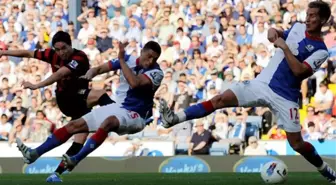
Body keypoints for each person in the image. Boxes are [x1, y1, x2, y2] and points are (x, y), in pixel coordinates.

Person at [159, 1, 336, 182]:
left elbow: (299, 71)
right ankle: (174, 118)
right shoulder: (298, 26)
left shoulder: (321, 51)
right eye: (307, 14)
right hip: (261, 84)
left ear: (323, 19)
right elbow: (277, 34)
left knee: (297, 144)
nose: (308, 19)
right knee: (220, 99)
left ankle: (325, 170)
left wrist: (284, 47)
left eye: (313, 16)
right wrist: (273, 33)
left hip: (286, 97)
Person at [15, 41, 163, 172]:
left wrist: (122, 60)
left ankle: (75, 159)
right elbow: (98, 69)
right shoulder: (128, 59)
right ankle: (33, 154)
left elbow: (134, 82)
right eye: (149, 56)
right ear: (142, 51)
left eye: (154, 58)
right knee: (74, 125)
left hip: (136, 115)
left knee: (109, 122)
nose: (150, 61)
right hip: (118, 108)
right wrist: (89, 74)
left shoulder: (156, 72)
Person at [0, 31, 115, 182]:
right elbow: (27, 53)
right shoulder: (51, 54)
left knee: (78, 139)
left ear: (70, 45)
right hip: (66, 98)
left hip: (79, 100)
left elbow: (60, 73)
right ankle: (122, 115)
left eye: (63, 48)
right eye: (57, 49)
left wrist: (37, 85)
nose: (61, 53)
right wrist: (3, 52)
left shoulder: (79, 57)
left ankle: (52, 170)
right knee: (100, 94)